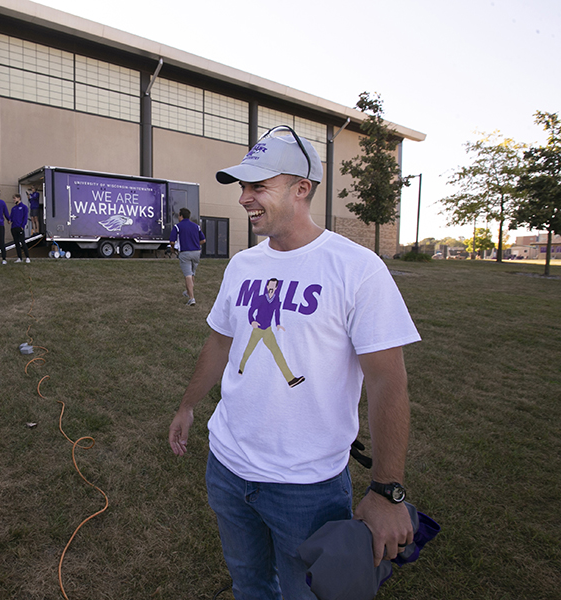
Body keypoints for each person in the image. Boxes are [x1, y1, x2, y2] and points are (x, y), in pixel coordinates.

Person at [168, 127, 420, 600]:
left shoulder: (358, 270)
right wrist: (187, 406)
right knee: (248, 581)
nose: (243, 198)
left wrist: (387, 490)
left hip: (306, 486)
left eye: (257, 186)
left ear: (301, 188)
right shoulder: (242, 265)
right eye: (242, 187)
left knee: (303, 592)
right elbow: (220, 344)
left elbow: (389, 384)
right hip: (226, 466)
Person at [169, 207, 205, 306]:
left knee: (187, 275)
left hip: (185, 253)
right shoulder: (196, 226)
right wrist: (195, 243)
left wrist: (172, 248)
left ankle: (191, 298)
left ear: (181, 216)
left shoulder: (177, 227)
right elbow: (203, 240)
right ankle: (188, 291)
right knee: (192, 273)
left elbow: (172, 241)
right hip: (197, 252)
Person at [10, 193, 31, 263]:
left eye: (15, 198)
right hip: (14, 227)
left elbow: (25, 217)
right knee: (16, 243)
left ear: (19, 198)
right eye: (13, 198)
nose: (14, 200)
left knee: (22, 242)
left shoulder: (24, 207)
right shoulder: (13, 208)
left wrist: (22, 226)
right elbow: (11, 217)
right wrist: (10, 220)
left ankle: (27, 257)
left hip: (20, 227)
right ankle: (20, 258)